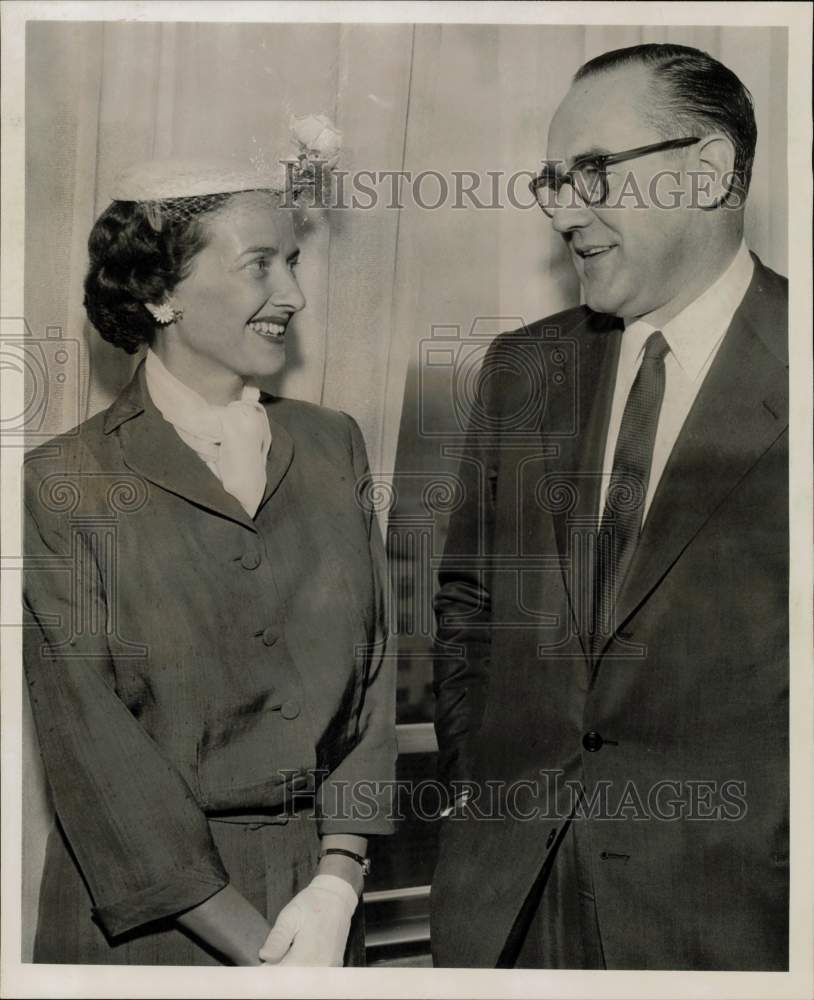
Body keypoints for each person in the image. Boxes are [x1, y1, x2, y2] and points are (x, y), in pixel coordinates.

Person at [430, 43, 788, 971]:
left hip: (736, 918)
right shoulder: (524, 369)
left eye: (592, 173)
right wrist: (488, 787)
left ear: (707, 171)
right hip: (512, 905)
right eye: (552, 181)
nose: (561, 211)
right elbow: (467, 604)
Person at [22, 148, 396, 965]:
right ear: (160, 293)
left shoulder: (334, 446)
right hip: (154, 928)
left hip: (318, 907)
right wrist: (268, 957)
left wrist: (339, 880)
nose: (293, 295)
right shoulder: (65, 480)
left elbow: (374, 675)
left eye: (293, 263)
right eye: (260, 265)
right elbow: (93, 750)